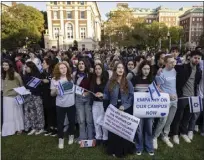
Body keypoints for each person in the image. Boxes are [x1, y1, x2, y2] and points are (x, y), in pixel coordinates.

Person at [103, 62, 134, 158]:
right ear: (115, 70)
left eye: (122, 68)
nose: (120, 69)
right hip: (114, 108)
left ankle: (124, 150)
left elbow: (132, 96)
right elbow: (106, 95)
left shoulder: (128, 82)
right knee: (114, 131)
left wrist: (124, 106)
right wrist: (101, 96)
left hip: (125, 108)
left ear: (124, 70)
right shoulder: (110, 82)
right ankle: (113, 149)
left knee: (123, 131)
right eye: (118, 68)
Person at [171, 50, 202, 144]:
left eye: (198, 58)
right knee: (178, 117)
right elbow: (171, 67)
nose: (196, 60)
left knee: (187, 117)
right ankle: (175, 134)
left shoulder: (199, 71)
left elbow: (196, 83)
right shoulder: (182, 67)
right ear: (190, 58)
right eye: (195, 58)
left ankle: (183, 133)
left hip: (193, 98)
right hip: (182, 96)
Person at [153, 55, 177, 149]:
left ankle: (165, 136)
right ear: (166, 63)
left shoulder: (174, 71)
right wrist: (168, 95)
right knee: (162, 120)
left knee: (170, 120)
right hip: (165, 100)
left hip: (175, 100)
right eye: (171, 62)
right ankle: (155, 137)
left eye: (174, 62)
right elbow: (157, 88)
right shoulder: (161, 73)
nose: (173, 64)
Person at [131, 60, 154, 156]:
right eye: (144, 68)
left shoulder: (152, 79)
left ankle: (149, 147)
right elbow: (131, 93)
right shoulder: (135, 79)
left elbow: (155, 94)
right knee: (139, 129)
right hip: (138, 109)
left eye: (148, 69)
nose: (146, 71)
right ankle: (139, 147)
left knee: (149, 128)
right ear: (141, 69)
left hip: (149, 109)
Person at [50, 62, 76, 149]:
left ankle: (71, 136)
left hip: (71, 104)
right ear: (58, 70)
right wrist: (55, 91)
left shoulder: (71, 77)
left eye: (65, 67)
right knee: (60, 123)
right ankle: (61, 139)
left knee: (72, 122)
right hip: (60, 105)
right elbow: (51, 94)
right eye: (61, 68)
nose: (63, 69)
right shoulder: (54, 79)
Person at [1, 60, 24, 136]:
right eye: (3, 65)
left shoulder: (16, 75)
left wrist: (17, 92)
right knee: (8, 114)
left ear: (10, 66)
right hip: (6, 96)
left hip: (14, 96)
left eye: (6, 65)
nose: (4, 66)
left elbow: (21, 85)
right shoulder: (3, 74)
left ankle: (19, 128)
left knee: (16, 113)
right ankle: (9, 129)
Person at [73, 59, 94, 142]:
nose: (81, 65)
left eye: (83, 64)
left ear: (85, 65)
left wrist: (88, 93)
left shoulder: (90, 75)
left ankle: (90, 137)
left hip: (88, 98)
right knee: (81, 120)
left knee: (89, 119)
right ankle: (82, 137)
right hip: (78, 98)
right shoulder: (75, 75)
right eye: (80, 64)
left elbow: (92, 87)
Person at [22, 61, 45, 135]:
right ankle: (34, 127)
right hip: (29, 95)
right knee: (31, 112)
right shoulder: (26, 76)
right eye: (25, 67)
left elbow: (40, 87)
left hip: (37, 95)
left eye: (27, 67)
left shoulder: (38, 75)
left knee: (39, 111)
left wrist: (31, 89)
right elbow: (25, 86)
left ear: (31, 67)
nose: (26, 69)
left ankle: (41, 127)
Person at [90, 64, 109, 146]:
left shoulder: (106, 80)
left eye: (99, 69)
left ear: (102, 70)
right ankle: (98, 137)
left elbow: (109, 93)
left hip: (103, 103)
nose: (97, 70)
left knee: (104, 121)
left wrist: (102, 94)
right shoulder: (93, 79)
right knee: (96, 121)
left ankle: (105, 138)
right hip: (95, 103)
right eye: (96, 69)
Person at [41, 58, 57, 137]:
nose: (42, 64)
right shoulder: (43, 73)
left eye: (43, 62)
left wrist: (49, 81)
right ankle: (49, 127)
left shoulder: (53, 73)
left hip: (52, 94)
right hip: (45, 94)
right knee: (47, 111)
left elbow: (55, 82)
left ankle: (55, 128)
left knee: (53, 111)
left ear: (48, 64)